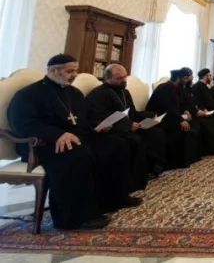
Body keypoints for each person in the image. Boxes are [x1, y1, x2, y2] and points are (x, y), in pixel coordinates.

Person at [8, 54, 141, 230]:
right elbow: (23, 124)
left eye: (75, 71)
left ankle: (113, 199)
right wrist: (58, 134)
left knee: (116, 145)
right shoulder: (29, 94)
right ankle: (76, 218)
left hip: (75, 138)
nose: (74, 75)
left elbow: (81, 121)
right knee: (79, 155)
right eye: (69, 71)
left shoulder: (74, 93)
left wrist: (95, 129)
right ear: (53, 70)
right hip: (42, 144)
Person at [85, 64, 168, 189]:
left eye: (125, 77)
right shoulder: (98, 94)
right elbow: (99, 118)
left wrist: (150, 115)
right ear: (107, 78)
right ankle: (132, 181)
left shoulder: (125, 92)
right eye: (119, 78)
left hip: (129, 127)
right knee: (135, 140)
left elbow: (132, 113)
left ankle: (152, 169)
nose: (124, 80)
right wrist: (128, 125)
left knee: (156, 133)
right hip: (113, 130)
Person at [146, 69, 201, 168]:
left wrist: (184, 110)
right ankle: (174, 162)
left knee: (192, 123)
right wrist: (180, 120)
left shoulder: (175, 88)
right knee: (180, 127)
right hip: (158, 118)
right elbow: (168, 107)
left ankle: (189, 157)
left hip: (169, 116)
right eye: (184, 79)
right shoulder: (164, 88)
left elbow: (177, 105)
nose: (186, 81)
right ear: (178, 79)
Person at [179, 67, 214, 155]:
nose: (211, 77)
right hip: (195, 112)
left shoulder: (204, 87)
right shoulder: (197, 87)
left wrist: (203, 109)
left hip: (203, 109)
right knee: (208, 121)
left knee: (213, 119)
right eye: (210, 75)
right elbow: (194, 102)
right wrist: (202, 109)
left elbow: (200, 101)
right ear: (205, 77)